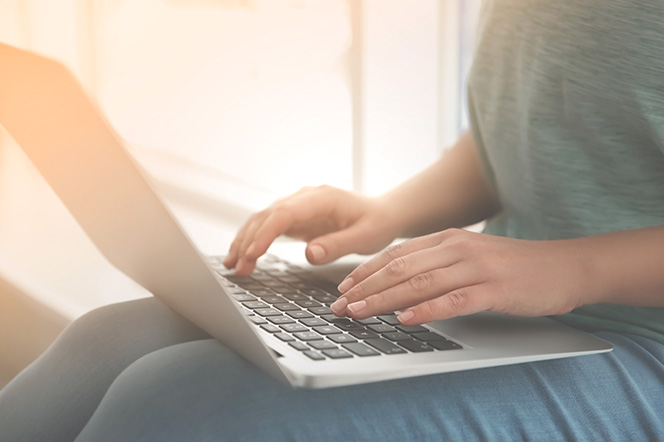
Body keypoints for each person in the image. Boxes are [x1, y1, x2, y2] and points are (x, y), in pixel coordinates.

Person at [1, 1, 664, 441]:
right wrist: (390, 212)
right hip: (505, 305)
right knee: (111, 339)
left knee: (180, 401)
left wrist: (573, 268)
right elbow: (534, 123)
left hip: (640, 340)